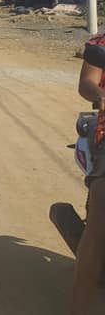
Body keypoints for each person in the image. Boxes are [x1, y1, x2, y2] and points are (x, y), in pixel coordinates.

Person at [72, 33, 105, 314]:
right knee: (100, 221)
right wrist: (100, 95)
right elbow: (87, 82)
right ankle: (79, 308)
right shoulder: (102, 45)